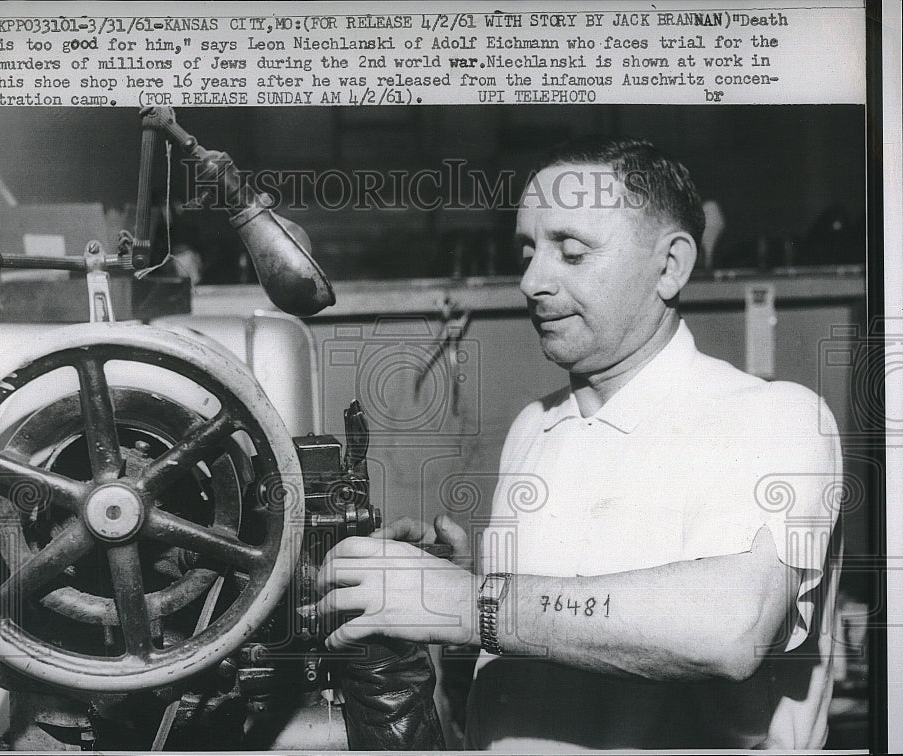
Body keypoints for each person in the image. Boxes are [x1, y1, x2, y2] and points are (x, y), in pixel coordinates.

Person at [315, 137, 842, 750]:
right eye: (529, 250)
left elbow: (732, 627)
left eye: (571, 251)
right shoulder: (535, 427)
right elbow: (531, 654)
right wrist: (433, 598)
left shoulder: (775, 418)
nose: (532, 281)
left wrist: (466, 602)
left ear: (669, 266)